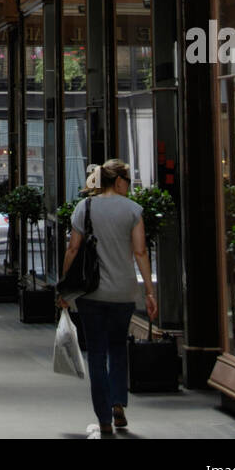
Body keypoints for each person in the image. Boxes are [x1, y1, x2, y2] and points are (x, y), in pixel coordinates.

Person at [58, 158, 157, 435]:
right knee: (117, 348)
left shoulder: (84, 207)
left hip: (92, 293)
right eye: (128, 182)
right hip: (123, 293)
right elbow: (140, 253)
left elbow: (73, 250)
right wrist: (149, 291)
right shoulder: (133, 210)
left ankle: (103, 419)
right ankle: (118, 404)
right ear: (119, 181)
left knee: (97, 354)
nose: (130, 188)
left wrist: (65, 289)